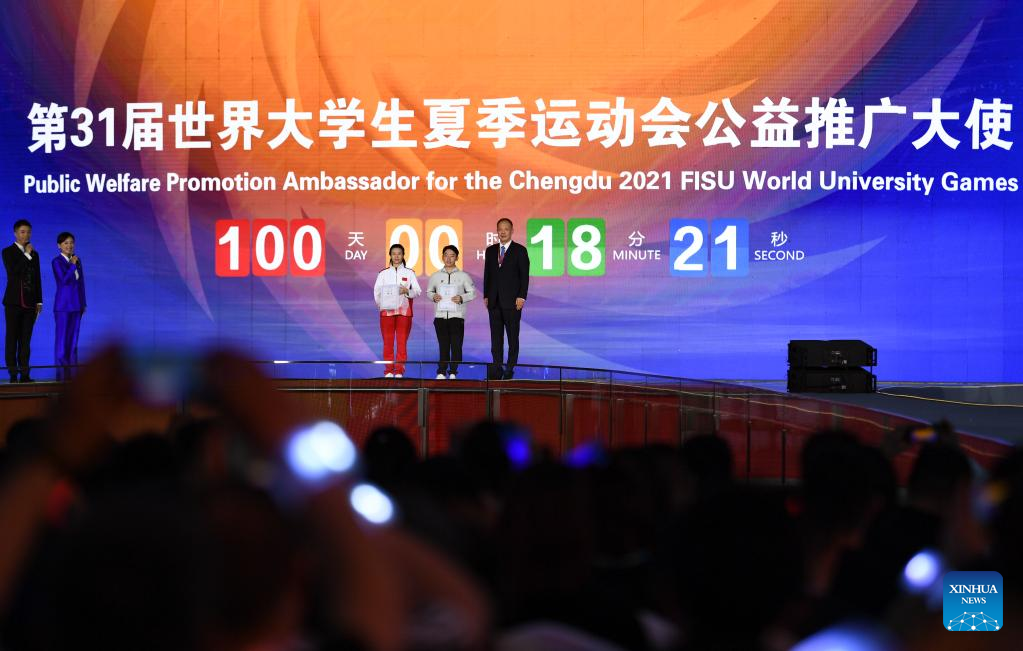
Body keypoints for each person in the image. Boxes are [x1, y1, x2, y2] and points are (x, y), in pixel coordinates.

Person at [483, 218, 529, 380]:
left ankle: (510, 368)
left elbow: (524, 276)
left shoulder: (520, 250)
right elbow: (487, 274)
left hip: (513, 302)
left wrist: (522, 296)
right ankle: (497, 367)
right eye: (500, 229)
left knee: (512, 337)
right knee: (496, 338)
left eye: (506, 229)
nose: (502, 232)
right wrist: (486, 295)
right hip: (494, 301)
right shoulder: (490, 251)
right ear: (497, 231)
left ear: (512, 231)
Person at [426, 245, 476, 380]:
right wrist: (433, 296)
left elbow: (472, 293)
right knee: (443, 345)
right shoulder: (435, 276)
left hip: (457, 316)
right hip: (440, 316)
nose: (448, 258)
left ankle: (453, 371)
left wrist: (461, 298)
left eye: (452, 255)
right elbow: (429, 291)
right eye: (446, 255)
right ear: (442, 257)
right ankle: (441, 371)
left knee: (456, 345)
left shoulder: (463, 276)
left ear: (457, 258)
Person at [2, 220, 43, 383]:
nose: (26, 235)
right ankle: (13, 374)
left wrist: (39, 301)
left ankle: (25, 374)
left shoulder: (35, 254)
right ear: (15, 233)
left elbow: (37, 278)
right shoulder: (7, 252)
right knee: (12, 338)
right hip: (12, 303)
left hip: (30, 304)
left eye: (28, 232)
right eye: (22, 232)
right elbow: (13, 272)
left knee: (25, 340)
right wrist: (26, 254)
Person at [373, 243, 421, 378]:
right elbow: (377, 292)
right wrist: (380, 305)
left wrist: (407, 291)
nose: (396, 256)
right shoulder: (383, 274)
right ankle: (388, 370)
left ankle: (399, 370)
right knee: (387, 342)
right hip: (386, 312)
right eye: (394, 253)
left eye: (399, 253)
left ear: (403, 255)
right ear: (390, 255)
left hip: (404, 312)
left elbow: (417, 291)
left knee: (401, 342)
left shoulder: (409, 273)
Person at [52, 232, 86, 381]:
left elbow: (81, 284)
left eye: (71, 242)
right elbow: (63, 281)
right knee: (62, 342)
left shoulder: (77, 260)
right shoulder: (57, 261)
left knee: (73, 342)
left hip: (76, 306)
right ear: (59, 245)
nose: (69, 245)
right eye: (66, 243)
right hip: (63, 307)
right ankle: (61, 376)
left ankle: (72, 375)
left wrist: (83, 303)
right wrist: (72, 265)